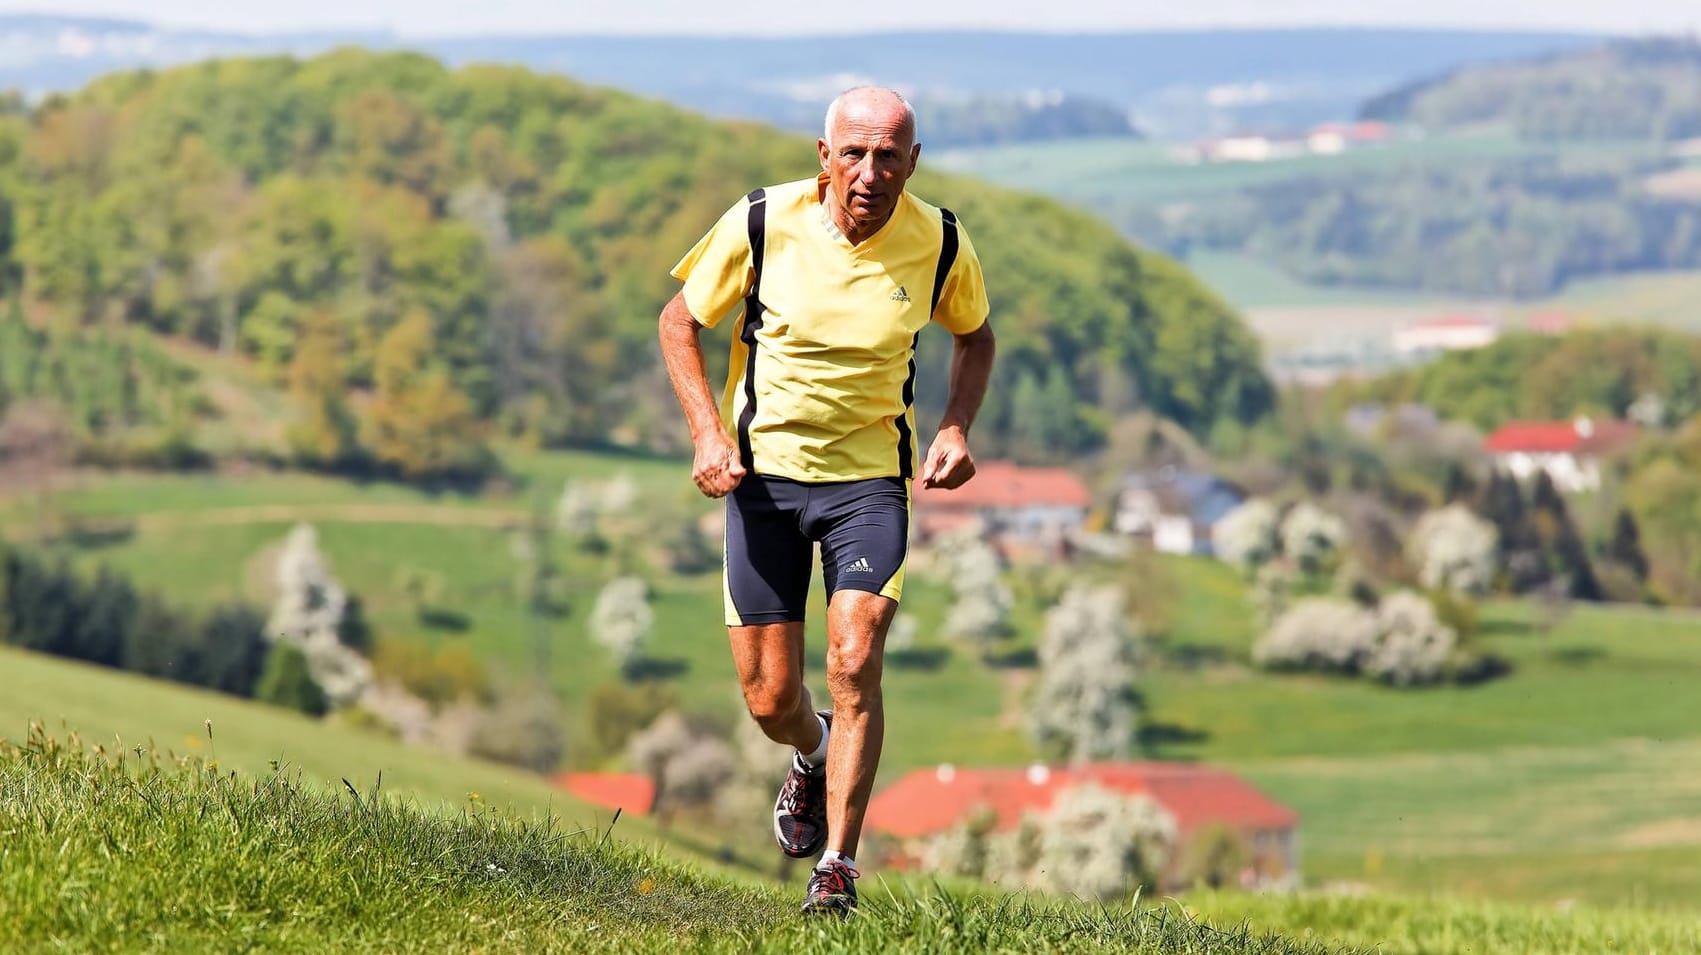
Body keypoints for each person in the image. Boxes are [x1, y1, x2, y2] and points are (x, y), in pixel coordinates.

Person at [657, 86, 996, 915]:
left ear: (912, 162)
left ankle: (836, 867)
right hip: (763, 481)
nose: (870, 173)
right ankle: (809, 752)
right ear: (824, 155)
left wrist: (953, 426)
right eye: (853, 153)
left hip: (868, 484)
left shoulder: (942, 241)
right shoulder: (762, 223)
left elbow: (975, 336)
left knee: (854, 658)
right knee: (771, 699)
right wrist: (708, 433)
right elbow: (678, 322)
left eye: (889, 156)